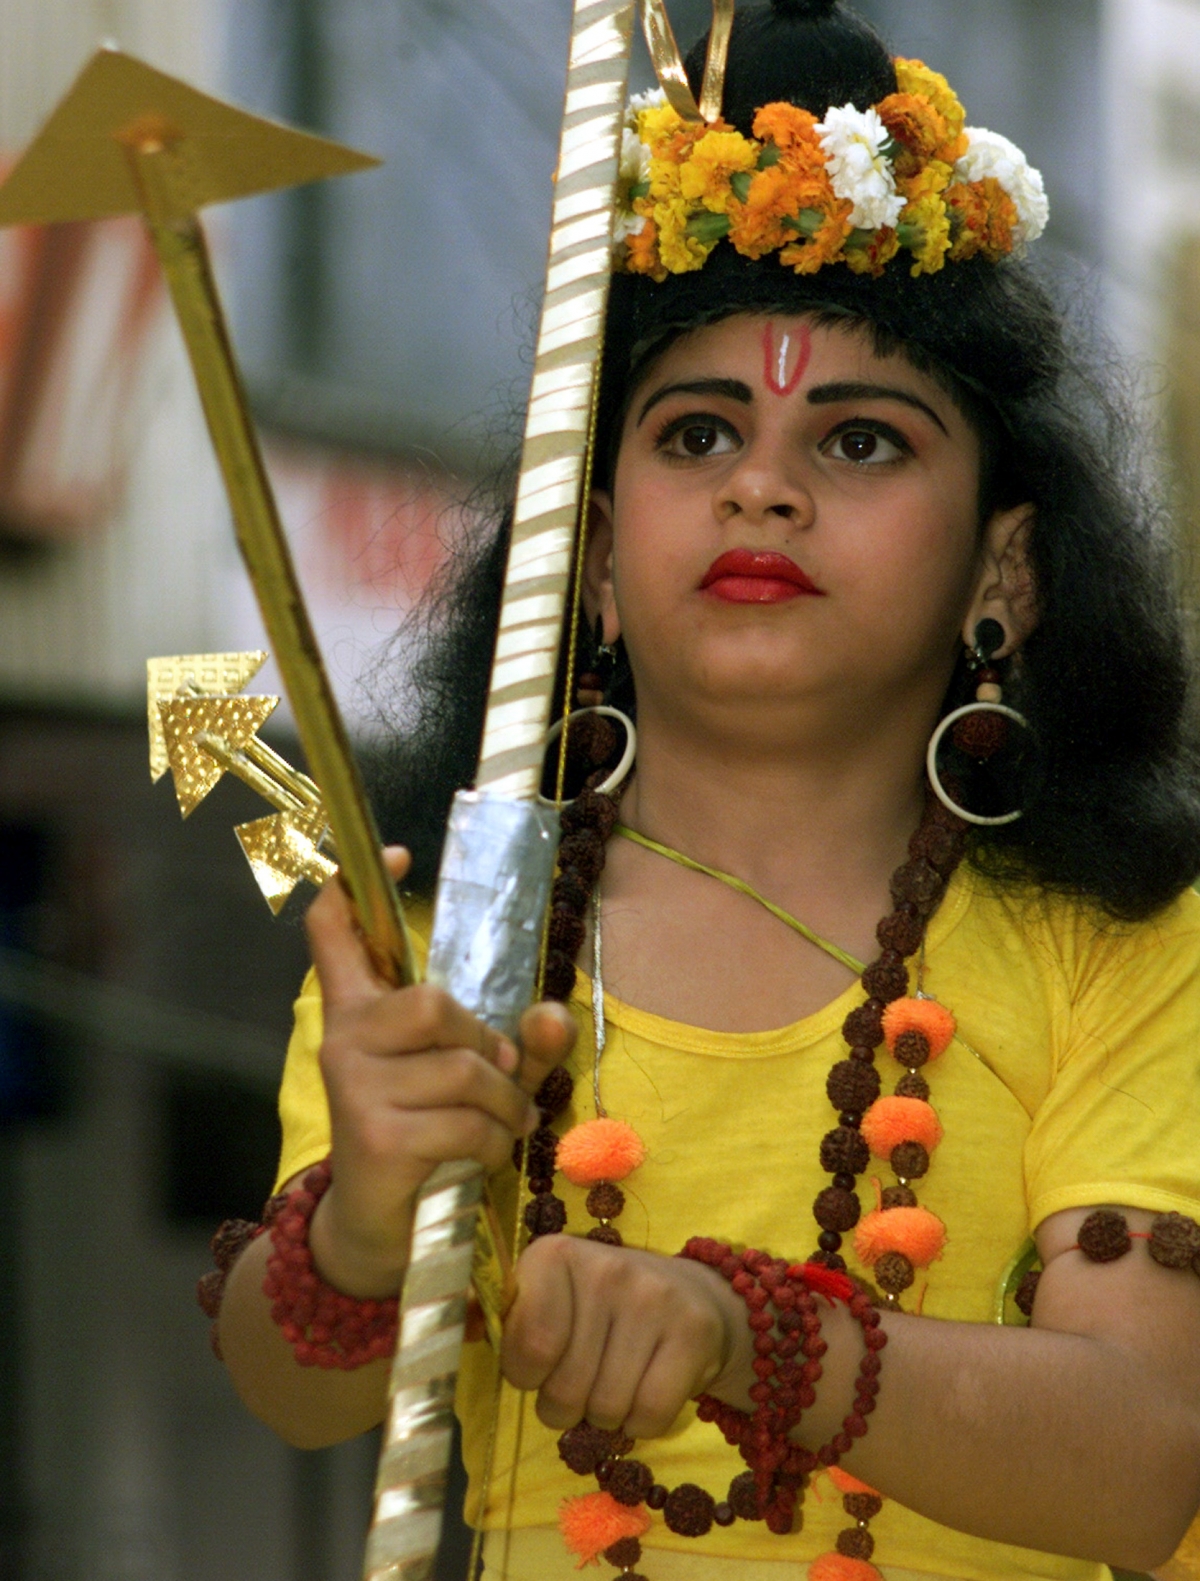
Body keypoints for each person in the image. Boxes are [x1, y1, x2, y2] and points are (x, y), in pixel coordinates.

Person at [212, 2, 1200, 1577]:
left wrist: (749, 1334)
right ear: (593, 556)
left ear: (1000, 566)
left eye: (863, 441)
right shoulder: (451, 922)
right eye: (696, 433)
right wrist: (367, 1215)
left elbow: (1146, 1461)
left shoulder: (1126, 932)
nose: (762, 484)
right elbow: (301, 1391)